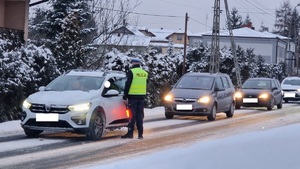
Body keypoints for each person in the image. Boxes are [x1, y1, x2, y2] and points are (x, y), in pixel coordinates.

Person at [121, 58, 148, 140]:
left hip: (132, 97)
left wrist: (125, 96)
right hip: (141, 97)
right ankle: (140, 134)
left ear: (133, 63)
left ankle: (130, 133)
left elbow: (127, 84)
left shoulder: (131, 72)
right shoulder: (145, 73)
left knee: (132, 115)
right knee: (139, 116)